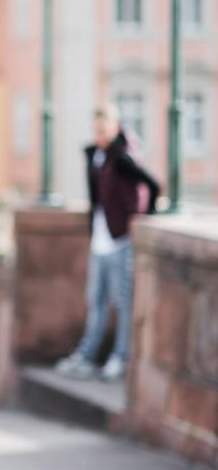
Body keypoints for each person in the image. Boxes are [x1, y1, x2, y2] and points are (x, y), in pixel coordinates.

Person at [56, 105, 160, 381]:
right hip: (100, 239)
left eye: (104, 130)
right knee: (96, 299)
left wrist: (142, 218)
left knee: (123, 301)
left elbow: (152, 184)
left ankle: (121, 356)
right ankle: (87, 355)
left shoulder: (123, 156)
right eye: (96, 130)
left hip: (120, 239)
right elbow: (95, 197)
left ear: (115, 127)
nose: (99, 135)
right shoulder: (96, 155)